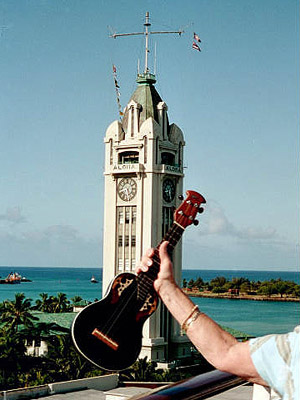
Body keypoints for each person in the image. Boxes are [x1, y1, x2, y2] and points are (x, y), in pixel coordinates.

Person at [137, 241, 299, 400]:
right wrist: (166, 286)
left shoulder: (293, 351)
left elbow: (225, 352)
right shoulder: (293, 350)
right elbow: (226, 352)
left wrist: (166, 288)